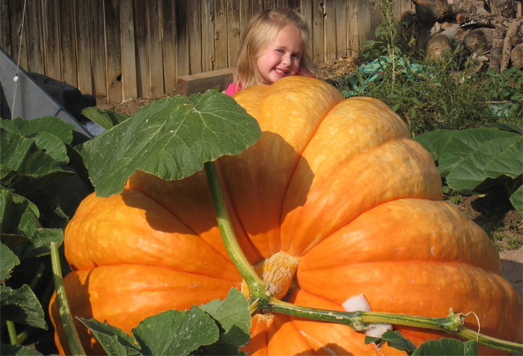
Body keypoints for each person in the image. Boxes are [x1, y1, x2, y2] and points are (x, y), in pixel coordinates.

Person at [225, 8, 317, 96]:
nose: (288, 62)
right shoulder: (237, 91)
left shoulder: (306, 83)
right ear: (255, 48)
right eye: (280, 51)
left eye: (295, 55)